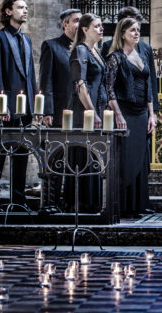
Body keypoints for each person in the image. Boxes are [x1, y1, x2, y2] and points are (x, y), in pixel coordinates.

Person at [0, 0, 37, 213]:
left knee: (22, 154)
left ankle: (19, 199)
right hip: (7, 107)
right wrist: (1, 104)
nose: (25, 11)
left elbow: (30, 75)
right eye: (20, 7)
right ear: (8, 11)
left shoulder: (27, 39)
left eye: (26, 7)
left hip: (25, 107)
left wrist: (35, 107)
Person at [105, 18, 157, 218]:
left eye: (138, 30)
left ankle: (139, 204)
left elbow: (149, 87)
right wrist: (118, 114)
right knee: (126, 157)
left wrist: (151, 114)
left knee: (141, 157)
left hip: (142, 113)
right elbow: (110, 89)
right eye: (132, 30)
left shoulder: (142, 53)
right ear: (122, 33)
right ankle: (123, 204)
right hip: (125, 111)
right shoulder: (115, 57)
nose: (137, 33)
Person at [38, 8, 81, 213]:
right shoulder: (52, 46)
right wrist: (47, 111)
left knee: (75, 159)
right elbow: (45, 82)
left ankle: (71, 202)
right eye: (76, 21)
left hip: (80, 114)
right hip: (59, 111)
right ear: (65, 24)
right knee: (55, 159)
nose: (79, 24)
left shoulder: (83, 48)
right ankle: (51, 203)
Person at [65, 13, 107, 213]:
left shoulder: (95, 51)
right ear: (84, 29)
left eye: (101, 26)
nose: (101, 29)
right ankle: (81, 204)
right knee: (83, 157)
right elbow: (80, 84)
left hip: (95, 108)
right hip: (84, 111)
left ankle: (93, 202)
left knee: (94, 156)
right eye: (97, 26)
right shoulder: (81, 50)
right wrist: (92, 112)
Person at [101, 6, 160, 118]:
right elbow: (107, 81)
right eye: (130, 22)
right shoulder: (108, 46)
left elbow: (151, 78)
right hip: (121, 104)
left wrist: (154, 110)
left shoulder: (146, 48)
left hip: (143, 106)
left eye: (137, 22)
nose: (135, 25)